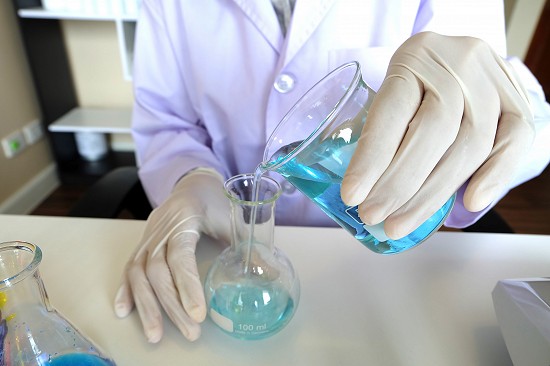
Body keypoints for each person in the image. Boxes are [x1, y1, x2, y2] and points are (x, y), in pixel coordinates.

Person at [114, 0, 550, 343]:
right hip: (223, 238)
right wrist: (190, 179)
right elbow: (166, 121)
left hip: (384, 274)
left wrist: (499, 112)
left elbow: (508, 101)